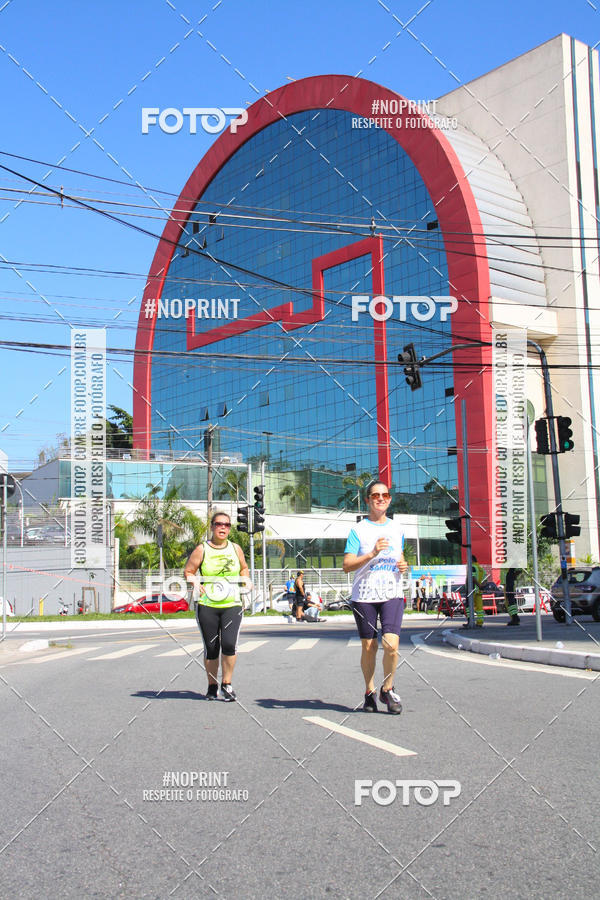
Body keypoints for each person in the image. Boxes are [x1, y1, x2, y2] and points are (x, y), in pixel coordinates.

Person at [343, 481, 408, 714]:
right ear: (368, 500)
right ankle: (369, 692)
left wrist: (403, 565)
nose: (381, 498)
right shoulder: (358, 530)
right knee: (369, 646)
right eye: (375, 495)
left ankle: (387, 689)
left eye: (385, 495)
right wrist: (372, 553)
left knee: (391, 644)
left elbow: (400, 559)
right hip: (364, 595)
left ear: (389, 499)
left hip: (392, 593)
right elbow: (347, 565)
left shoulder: (398, 528)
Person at [184, 510, 249, 702]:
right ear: (212, 526)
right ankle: (212, 686)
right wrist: (195, 581)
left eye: (227, 525)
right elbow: (189, 571)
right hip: (207, 604)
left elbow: (244, 567)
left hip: (232, 604)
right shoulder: (202, 549)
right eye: (219, 524)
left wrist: (246, 581)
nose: (223, 528)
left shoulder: (235, 548)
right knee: (212, 647)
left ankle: (227, 685)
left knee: (229, 644)